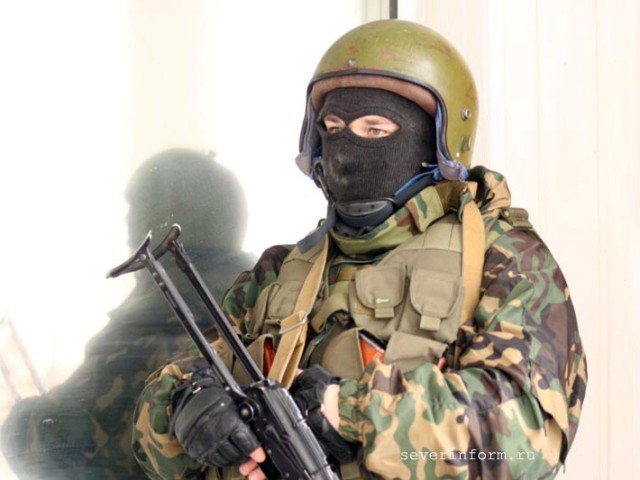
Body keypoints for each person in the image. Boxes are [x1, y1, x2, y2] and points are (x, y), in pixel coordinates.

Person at [131, 20, 587, 480]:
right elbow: (155, 428)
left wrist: (350, 413)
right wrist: (184, 408)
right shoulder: (281, 271)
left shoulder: (501, 258)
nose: (347, 151)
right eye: (333, 128)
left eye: (374, 129)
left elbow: (527, 440)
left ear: (435, 143)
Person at [0, 149, 255, 479]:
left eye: (137, 205)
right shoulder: (254, 301)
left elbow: (58, 446)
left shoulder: (157, 325)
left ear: (173, 214)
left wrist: (20, 423)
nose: (127, 220)